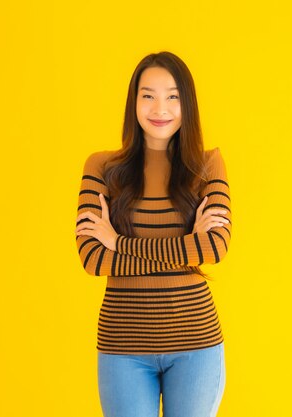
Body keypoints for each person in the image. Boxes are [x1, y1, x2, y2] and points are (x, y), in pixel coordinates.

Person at [74, 51, 232, 417]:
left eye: (172, 96)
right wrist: (186, 246)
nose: (160, 107)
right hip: (122, 346)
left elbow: (214, 248)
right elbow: (93, 259)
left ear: (186, 103)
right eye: (148, 95)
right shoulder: (101, 167)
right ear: (134, 102)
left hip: (196, 343)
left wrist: (119, 243)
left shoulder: (208, 164)